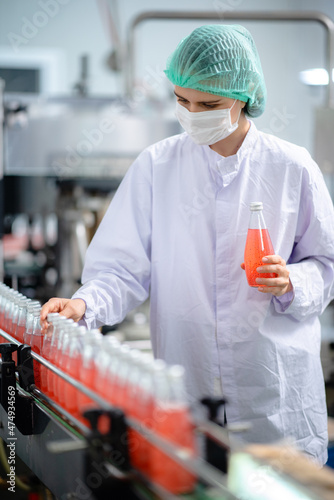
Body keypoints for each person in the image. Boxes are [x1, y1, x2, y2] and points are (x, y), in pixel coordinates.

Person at [41, 24, 334, 465]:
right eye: (183, 101)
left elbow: (326, 264)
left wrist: (292, 280)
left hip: (275, 394)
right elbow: (121, 268)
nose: (193, 113)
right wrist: (86, 305)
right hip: (188, 390)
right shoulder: (157, 166)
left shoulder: (291, 167)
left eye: (209, 104)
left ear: (244, 94)